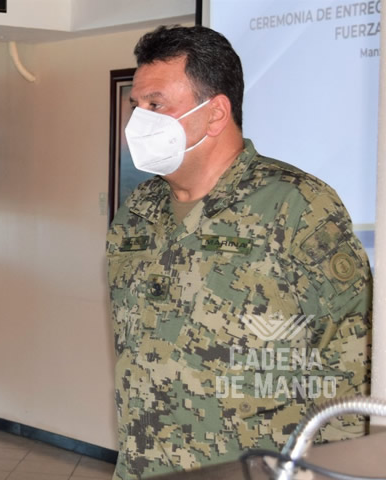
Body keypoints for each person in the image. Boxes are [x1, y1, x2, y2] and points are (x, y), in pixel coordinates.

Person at [106, 25, 372, 479]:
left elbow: (349, 363)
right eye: (137, 106)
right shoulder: (138, 212)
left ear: (215, 114)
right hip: (144, 466)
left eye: (156, 105)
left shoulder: (297, 206)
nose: (138, 122)